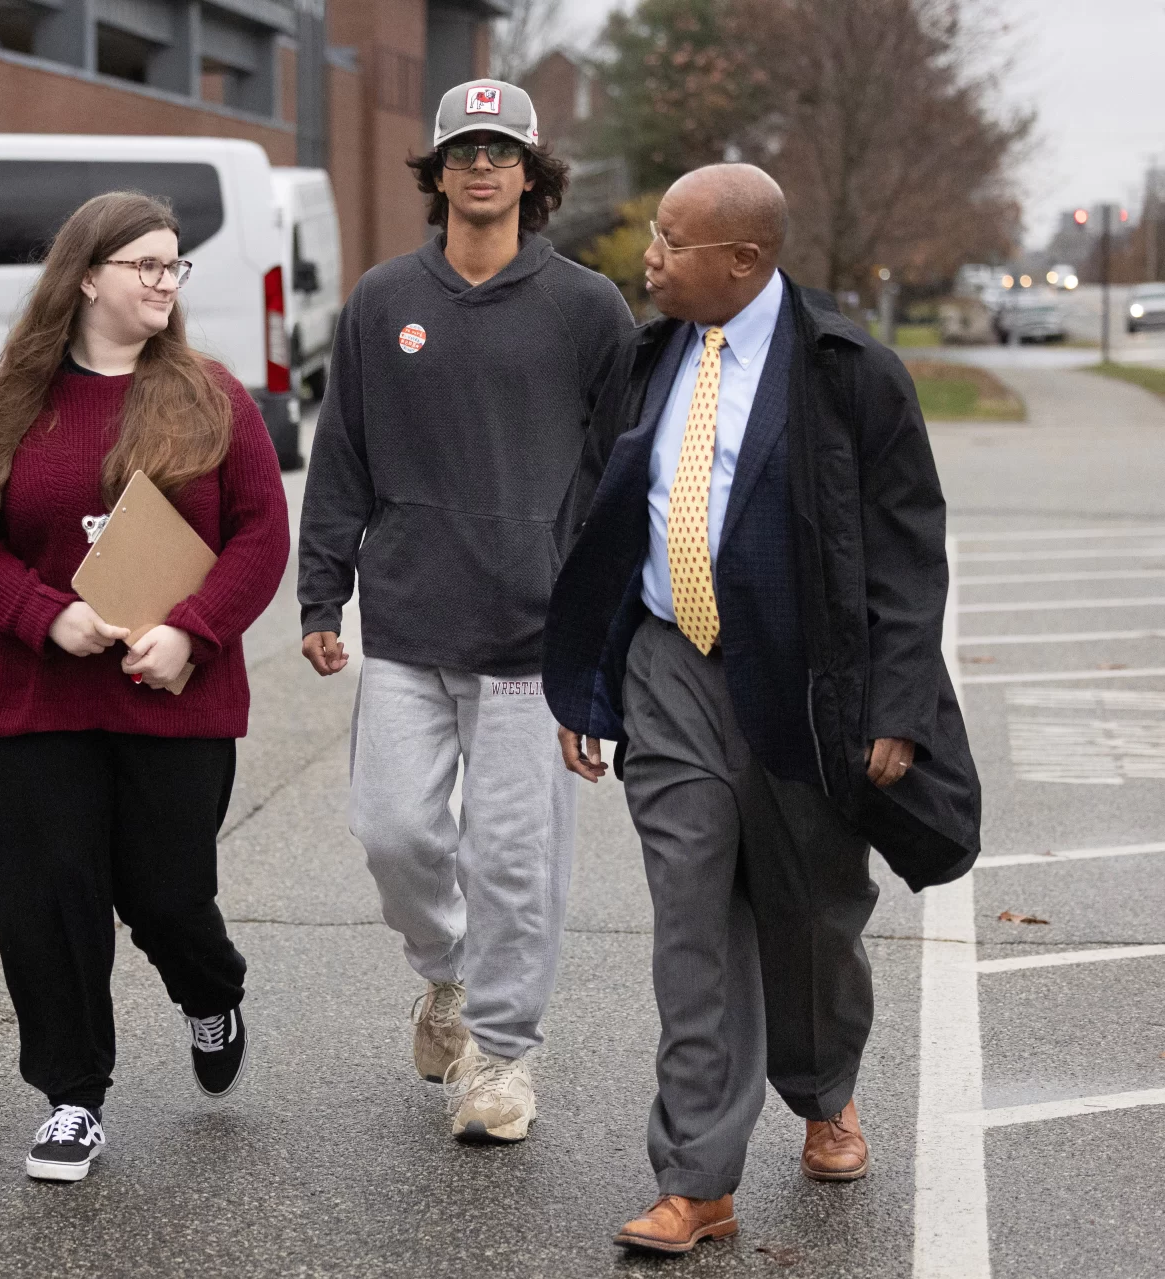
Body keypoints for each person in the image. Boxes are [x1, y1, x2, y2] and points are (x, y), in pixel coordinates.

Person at [541, 163, 980, 1255]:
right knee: (690, 915)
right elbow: (598, 522)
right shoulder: (644, 362)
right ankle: (697, 1179)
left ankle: (823, 1088)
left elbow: (905, 552)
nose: (647, 256)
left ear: (743, 259)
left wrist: (897, 702)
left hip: (802, 683)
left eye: (670, 242)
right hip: (667, 666)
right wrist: (586, 678)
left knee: (813, 913)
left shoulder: (846, 375)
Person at [0, 191, 289, 1184]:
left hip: (176, 696)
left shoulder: (212, 395)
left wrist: (193, 633)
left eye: (174, 267)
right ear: (86, 276)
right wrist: (48, 614)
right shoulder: (13, 398)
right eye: (146, 266)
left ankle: (209, 990)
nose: (165, 282)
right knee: (48, 899)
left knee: (167, 896)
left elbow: (260, 536)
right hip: (44, 698)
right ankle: (72, 1097)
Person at [296, 79, 633, 1144]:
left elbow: (617, 472)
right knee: (393, 830)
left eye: (501, 151)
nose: (481, 166)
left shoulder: (587, 309)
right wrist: (321, 589)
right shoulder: (382, 300)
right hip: (404, 619)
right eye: (463, 150)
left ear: (530, 175)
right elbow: (338, 454)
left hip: (534, 633)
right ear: (435, 171)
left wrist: (601, 616)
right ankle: (444, 975)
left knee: (514, 857)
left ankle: (500, 1055)